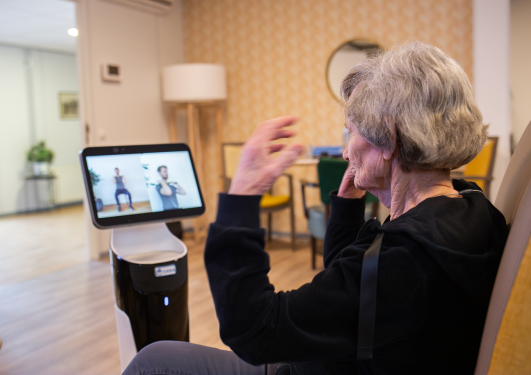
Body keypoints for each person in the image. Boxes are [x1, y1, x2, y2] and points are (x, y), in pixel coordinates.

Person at [124, 41, 507, 375]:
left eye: (351, 132)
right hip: (341, 360)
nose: (344, 150)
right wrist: (346, 204)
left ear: (388, 139)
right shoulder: (471, 207)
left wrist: (241, 194)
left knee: (153, 360)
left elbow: (255, 329)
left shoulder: (406, 259)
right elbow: (357, 292)